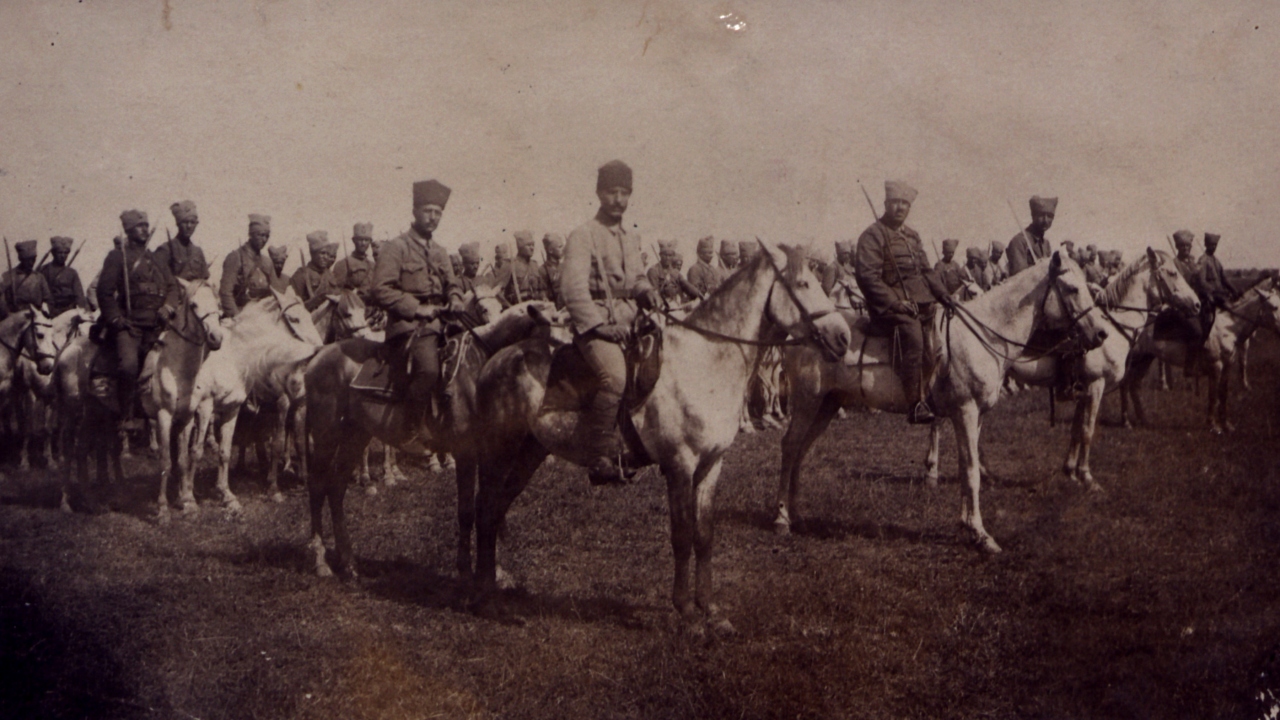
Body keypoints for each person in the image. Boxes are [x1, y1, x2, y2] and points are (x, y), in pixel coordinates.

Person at [561, 159, 660, 485]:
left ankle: (639, 445)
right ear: (599, 193)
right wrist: (600, 328)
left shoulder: (629, 237)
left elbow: (636, 278)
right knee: (615, 377)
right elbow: (573, 289)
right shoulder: (583, 235)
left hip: (629, 321)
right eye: (612, 192)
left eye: (625, 193)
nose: (618, 199)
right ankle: (599, 458)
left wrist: (647, 292)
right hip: (596, 326)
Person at [371, 179, 467, 451]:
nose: (433, 217)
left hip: (443, 324)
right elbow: (380, 289)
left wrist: (457, 297)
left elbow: (453, 283)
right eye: (428, 211)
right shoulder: (397, 247)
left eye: (438, 213)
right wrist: (416, 308)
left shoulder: (440, 251)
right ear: (414, 211)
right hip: (409, 328)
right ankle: (410, 432)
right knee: (428, 370)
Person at [853, 181, 954, 424]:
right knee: (914, 336)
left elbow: (927, 272)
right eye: (896, 202)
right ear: (886, 204)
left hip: (921, 303)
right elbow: (868, 277)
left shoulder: (912, 236)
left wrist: (944, 295)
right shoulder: (872, 235)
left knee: (936, 346)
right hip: (889, 309)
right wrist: (896, 302)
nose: (900, 207)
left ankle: (931, 392)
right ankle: (914, 404)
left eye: (905, 204)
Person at [97, 210, 178, 425]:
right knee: (129, 366)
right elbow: (104, 292)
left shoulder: (158, 258)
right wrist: (116, 319)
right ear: (129, 230)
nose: (144, 229)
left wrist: (168, 307)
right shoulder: (117, 257)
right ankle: (125, 414)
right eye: (139, 226)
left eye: (146, 225)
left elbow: (173, 287)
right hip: (130, 326)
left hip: (156, 326)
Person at [220, 214, 279, 318]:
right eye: (260, 235)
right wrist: (238, 319)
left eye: (267, 236)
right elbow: (225, 293)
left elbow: (275, 294)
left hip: (263, 318)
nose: (264, 239)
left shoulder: (267, 262)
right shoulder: (236, 257)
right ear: (251, 234)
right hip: (239, 315)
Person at [152, 200, 210, 282]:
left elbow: (204, 278)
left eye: (192, 222)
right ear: (178, 224)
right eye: (185, 222)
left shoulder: (198, 252)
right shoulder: (165, 249)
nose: (189, 226)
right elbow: (158, 279)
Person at [491, 230, 549, 305]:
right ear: (520, 247)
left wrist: (544, 298)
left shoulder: (534, 265)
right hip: (518, 308)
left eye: (533, 245)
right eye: (528, 245)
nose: (532, 248)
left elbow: (542, 290)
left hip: (536, 308)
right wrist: (509, 307)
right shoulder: (509, 264)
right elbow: (497, 292)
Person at [1, 240, 53, 318]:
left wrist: (45, 308)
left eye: (33, 259)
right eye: (27, 260)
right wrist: (7, 312)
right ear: (21, 259)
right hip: (14, 318)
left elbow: (48, 299)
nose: (31, 263)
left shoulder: (39, 277)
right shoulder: (8, 276)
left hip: (36, 316)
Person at [290, 231, 340, 312]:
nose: (326, 257)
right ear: (313, 253)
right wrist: (316, 301)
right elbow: (293, 308)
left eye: (328, 254)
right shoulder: (301, 274)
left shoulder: (329, 274)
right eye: (322, 253)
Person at [1006, 196, 1057, 276]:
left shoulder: (1046, 244)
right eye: (1041, 215)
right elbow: (1020, 278)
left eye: (1050, 216)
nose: (1045, 220)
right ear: (1033, 216)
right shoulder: (1019, 241)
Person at [39, 236, 88, 317]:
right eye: (60, 252)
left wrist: (81, 311)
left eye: (65, 253)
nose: (63, 255)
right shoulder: (44, 271)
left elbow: (79, 296)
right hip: (49, 312)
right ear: (53, 253)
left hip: (69, 312)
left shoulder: (72, 273)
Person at [333, 222, 376, 299]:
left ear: (370, 242)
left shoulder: (373, 265)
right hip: (353, 306)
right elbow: (336, 290)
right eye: (360, 239)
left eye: (366, 240)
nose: (363, 243)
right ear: (354, 241)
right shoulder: (344, 263)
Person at [1199, 233, 1238, 309]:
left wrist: (1233, 290)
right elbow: (1202, 282)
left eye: (1215, 245)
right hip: (1210, 297)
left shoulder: (1217, 261)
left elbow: (1224, 279)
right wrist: (1215, 291)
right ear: (1206, 244)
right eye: (1211, 244)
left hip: (1220, 296)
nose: (1213, 247)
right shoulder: (1203, 260)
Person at [822, 240, 862, 311]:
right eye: (844, 253)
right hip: (835, 305)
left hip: (846, 303)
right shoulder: (832, 267)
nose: (847, 256)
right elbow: (826, 289)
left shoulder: (845, 267)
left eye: (848, 254)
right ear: (838, 254)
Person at [542, 233, 566, 306]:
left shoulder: (564, 267)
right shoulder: (543, 270)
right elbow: (543, 295)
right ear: (550, 250)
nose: (563, 249)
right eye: (560, 247)